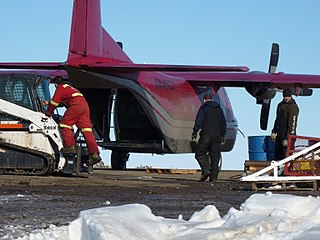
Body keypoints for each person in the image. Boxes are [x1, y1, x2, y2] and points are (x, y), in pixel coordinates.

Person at [44, 76, 102, 167]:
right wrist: (49, 103)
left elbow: (55, 102)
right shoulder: (71, 89)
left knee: (65, 124)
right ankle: (94, 154)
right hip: (84, 107)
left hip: (76, 106)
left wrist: (48, 113)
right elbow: (64, 102)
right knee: (87, 130)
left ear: (56, 84)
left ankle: (70, 146)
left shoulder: (61, 88)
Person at [192, 93, 227, 183]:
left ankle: (206, 170)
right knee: (215, 157)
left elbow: (199, 121)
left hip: (206, 135)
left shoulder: (203, 108)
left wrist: (195, 132)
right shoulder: (219, 109)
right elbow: (223, 123)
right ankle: (214, 178)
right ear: (212, 99)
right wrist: (222, 135)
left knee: (199, 153)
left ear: (204, 100)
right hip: (217, 136)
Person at [271, 88, 299, 160]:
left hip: (287, 135)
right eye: (285, 96)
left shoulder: (293, 107)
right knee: (277, 156)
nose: (286, 98)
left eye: (288, 96)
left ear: (291, 96)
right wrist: (274, 131)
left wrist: (288, 138)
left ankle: (285, 171)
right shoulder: (280, 105)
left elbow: (292, 124)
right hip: (279, 135)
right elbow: (277, 119)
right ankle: (278, 171)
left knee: (286, 156)